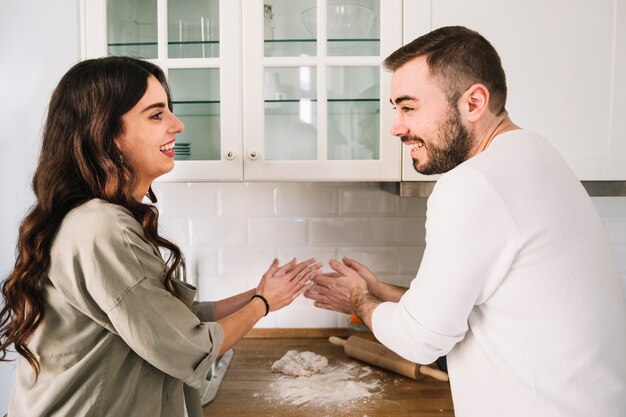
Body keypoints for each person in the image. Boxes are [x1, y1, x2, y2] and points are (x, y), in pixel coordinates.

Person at [306, 26, 626, 417]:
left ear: (474, 102)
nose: (396, 127)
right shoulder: (535, 153)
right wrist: (382, 292)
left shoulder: (473, 183)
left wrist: (359, 298)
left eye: (409, 107)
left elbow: (420, 341)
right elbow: (478, 304)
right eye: (395, 109)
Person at [0, 56, 321, 417]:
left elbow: (167, 319)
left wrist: (259, 293)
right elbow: (188, 347)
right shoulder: (103, 226)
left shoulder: (89, 217)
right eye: (156, 115)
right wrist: (263, 305)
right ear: (106, 134)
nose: (178, 125)